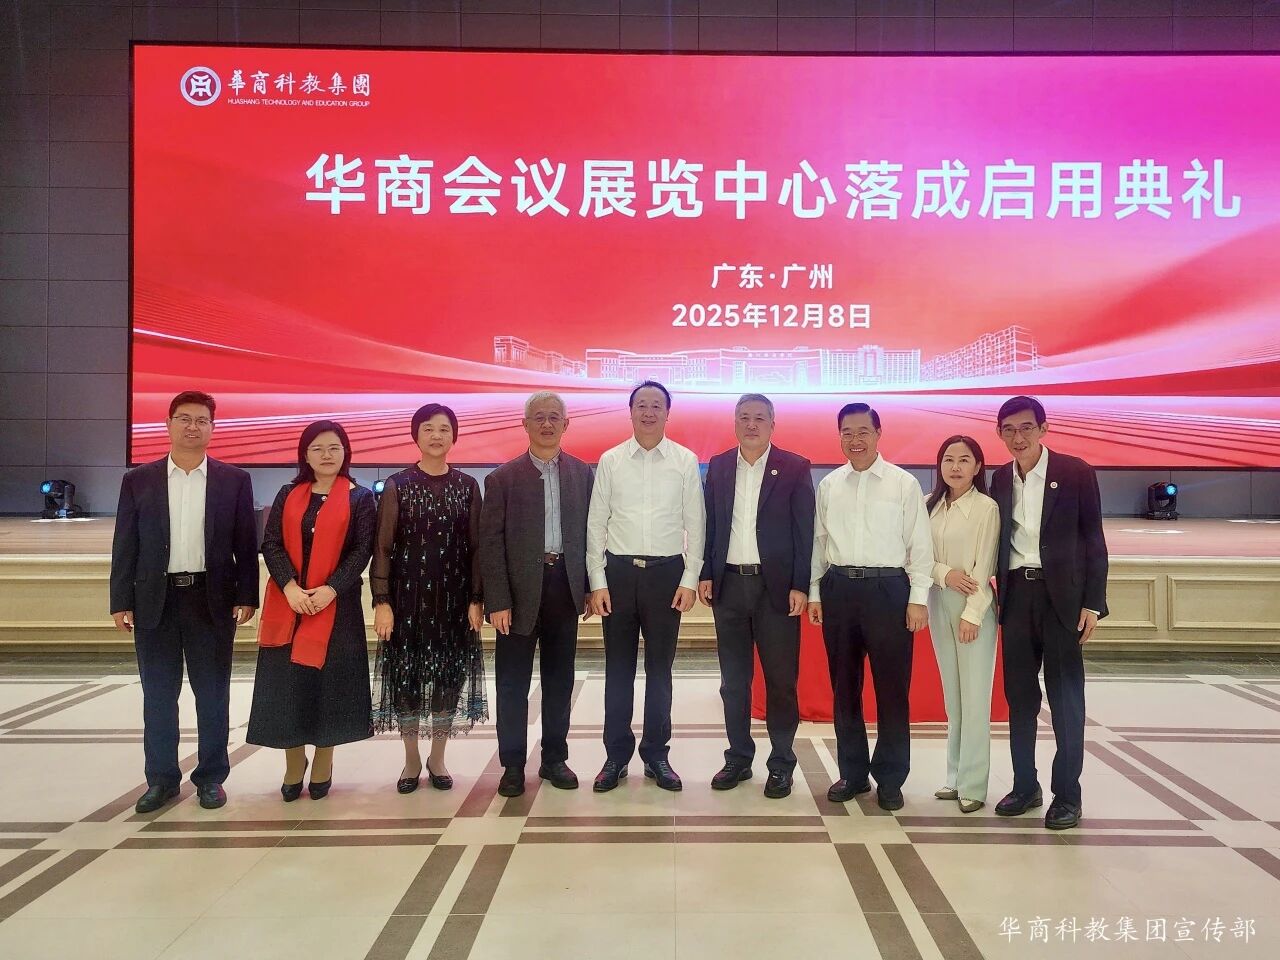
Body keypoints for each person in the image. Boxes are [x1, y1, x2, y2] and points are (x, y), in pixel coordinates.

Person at [109, 390, 258, 813]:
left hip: (211, 599)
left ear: (213, 427)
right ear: (169, 424)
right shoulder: (139, 480)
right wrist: (120, 599)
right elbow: (125, 543)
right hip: (154, 600)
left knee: (212, 694)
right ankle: (161, 780)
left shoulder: (234, 480)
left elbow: (245, 544)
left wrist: (248, 595)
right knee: (158, 695)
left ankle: (211, 778)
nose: (193, 427)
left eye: (202, 420)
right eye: (185, 419)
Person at [990, 396, 1108, 831]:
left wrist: (1093, 603)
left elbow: (1094, 539)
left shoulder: (1075, 472)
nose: (1017, 437)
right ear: (999, 434)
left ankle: (1067, 795)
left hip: (1063, 600)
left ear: (1043, 429)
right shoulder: (1000, 479)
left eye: (1026, 428)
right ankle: (1025, 786)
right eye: (1008, 429)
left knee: (1065, 699)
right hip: (1016, 597)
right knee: (1020, 699)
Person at [808, 402, 933, 811]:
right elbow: (819, 544)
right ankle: (853, 772)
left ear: (878, 434)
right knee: (844, 687)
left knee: (892, 689)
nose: (855, 440)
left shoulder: (902, 484)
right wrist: (815, 592)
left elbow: (920, 545)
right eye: (847, 432)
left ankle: (891, 778)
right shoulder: (829, 485)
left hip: (888, 590)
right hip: (839, 588)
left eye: (863, 431)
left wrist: (917, 599)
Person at [246, 420, 376, 801]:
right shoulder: (289, 494)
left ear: (345, 452)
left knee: (328, 688)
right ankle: (293, 762)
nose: (326, 455)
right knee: (290, 688)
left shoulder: (359, 497)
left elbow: (362, 550)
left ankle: (323, 761)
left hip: (337, 607)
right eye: (317, 448)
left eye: (334, 447)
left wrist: (330, 589)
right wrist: (290, 587)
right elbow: (271, 544)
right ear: (305, 454)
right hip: (289, 605)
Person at [587, 380, 705, 793]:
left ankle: (657, 754)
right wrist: (597, 580)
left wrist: (689, 579)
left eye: (657, 405)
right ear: (631, 411)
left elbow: (696, 523)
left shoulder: (685, 461)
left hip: (666, 576)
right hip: (618, 575)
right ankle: (616, 756)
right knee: (618, 671)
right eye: (642, 405)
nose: (649, 412)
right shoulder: (611, 460)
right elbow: (595, 523)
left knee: (660, 671)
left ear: (667, 413)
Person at [699, 394, 814, 799]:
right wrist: (706, 573)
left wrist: (801, 584)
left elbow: (805, 530)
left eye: (759, 418)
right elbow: (710, 524)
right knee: (734, 682)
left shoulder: (795, 467)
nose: (751, 425)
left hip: (775, 590)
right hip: (729, 585)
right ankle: (738, 757)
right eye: (744, 417)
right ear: (735, 423)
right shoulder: (719, 466)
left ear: (772, 424)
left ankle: (781, 763)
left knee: (781, 681)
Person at [480, 392, 594, 798]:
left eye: (554, 417)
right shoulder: (502, 478)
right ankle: (512, 765)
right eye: (539, 417)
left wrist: (590, 587)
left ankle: (554, 758)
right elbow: (490, 544)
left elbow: (593, 534)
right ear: (525, 424)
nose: (547, 424)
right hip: (517, 593)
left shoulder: (582, 474)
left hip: (565, 585)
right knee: (512, 683)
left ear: (566, 424)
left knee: (560, 680)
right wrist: (497, 600)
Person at [371, 404, 488, 794]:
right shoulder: (398, 485)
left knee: (447, 681)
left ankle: (437, 758)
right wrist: (382, 601)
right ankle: (411, 759)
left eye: (444, 429)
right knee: (406, 680)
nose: (437, 435)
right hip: (406, 601)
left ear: (454, 436)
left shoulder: (468, 486)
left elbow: (477, 548)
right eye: (428, 428)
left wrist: (476, 598)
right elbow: (383, 548)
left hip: (453, 601)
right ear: (415, 435)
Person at [924, 435, 999, 814]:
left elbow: (985, 567)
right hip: (938, 600)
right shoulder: (929, 505)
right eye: (948, 459)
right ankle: (953, 776)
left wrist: (973, 614)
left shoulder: (986, 508)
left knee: (974, 698)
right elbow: (916, 556)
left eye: (964, 459)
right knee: (953, 697)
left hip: (973, 607)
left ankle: (973, 784)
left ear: (978, 466)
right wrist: (944, 574)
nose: (955, 467)